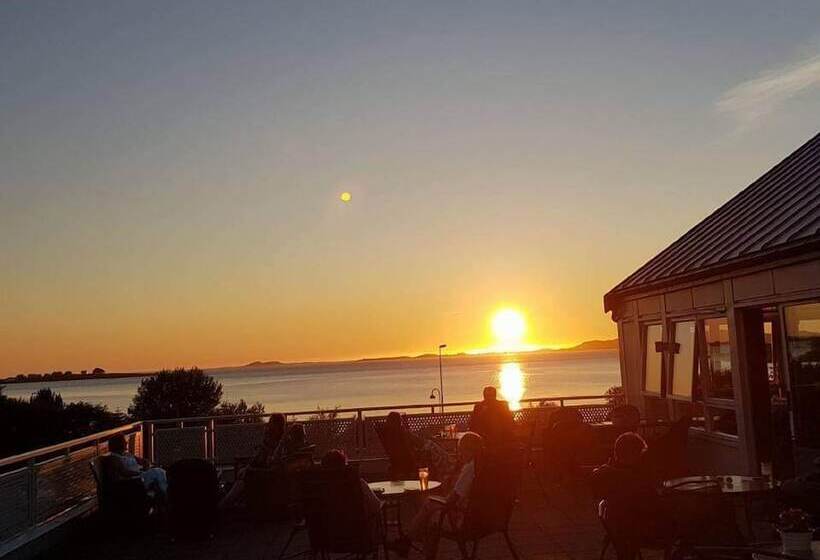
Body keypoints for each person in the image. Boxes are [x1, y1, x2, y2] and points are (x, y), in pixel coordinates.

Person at [394, 432, 484, 560]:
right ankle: (408, 541)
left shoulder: (469, 470)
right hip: (480, 518)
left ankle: (407, 541)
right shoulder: (482, 468)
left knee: (429, 510)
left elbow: (451, 500)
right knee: (429, 509)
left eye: (461, 451)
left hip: (463, 520)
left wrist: (434, 501)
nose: (459, 455)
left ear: (469, 450)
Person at [591, 432, 668, 560]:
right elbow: (656, 507)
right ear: (636, 455)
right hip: (642, 532)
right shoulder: (634, 481)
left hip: (619, 530)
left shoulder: (608, 475)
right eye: (643, 454)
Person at [220, 413, 287, 508]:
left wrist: (248, 470)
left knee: (240, 481)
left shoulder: (277, 445)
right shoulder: (274, 441)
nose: (269, 425)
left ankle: (224, 504)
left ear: (276, 425)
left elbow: (268, 463)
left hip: (261, 477)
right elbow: (259, 459)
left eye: (271, 423)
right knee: (239, 478)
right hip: (260, 474)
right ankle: (227, 501)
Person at [321, 449, 383, 520]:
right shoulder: (358, 483)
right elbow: (376, 506)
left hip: (327, 527)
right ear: (344, 466)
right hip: (356, 527)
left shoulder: (318, 487)